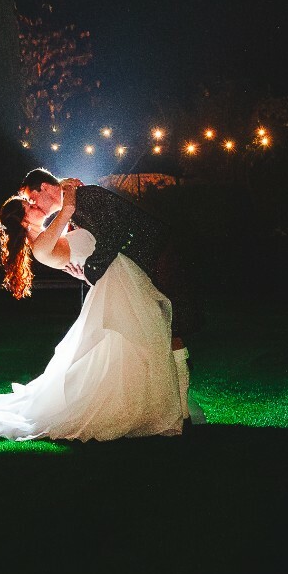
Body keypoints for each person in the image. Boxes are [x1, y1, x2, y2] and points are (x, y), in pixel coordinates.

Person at [0, 175, 188, 442]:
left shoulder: (49, 237)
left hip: (119, 282)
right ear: (25, 219)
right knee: (144, 343)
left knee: (147, 343)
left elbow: (77, 249)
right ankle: (168, 410)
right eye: (28, 205)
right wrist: (70, 195)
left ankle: (173, 408)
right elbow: (69, 219)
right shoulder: (41, 245)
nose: (34, 204)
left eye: (31, 199)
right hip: (118, 285)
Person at [19, 169, 202, 426]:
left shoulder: (86, 197)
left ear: (45, 188)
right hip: (144, 265)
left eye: (32, 197)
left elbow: (113, 233)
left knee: (173, 328)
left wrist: (92, 270)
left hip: (159, 258)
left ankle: (181, 410)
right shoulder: (75, 208)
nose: (34, 204)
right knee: (166, 329)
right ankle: (179, 410)